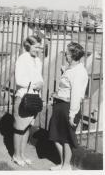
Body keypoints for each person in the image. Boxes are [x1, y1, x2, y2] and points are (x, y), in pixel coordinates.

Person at [48, 42, 88, 170]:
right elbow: (68, 86)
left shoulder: (79, 72)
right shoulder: (71, 69)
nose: (65, 54)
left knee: (66, 138)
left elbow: (76, 95)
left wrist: (72, 115)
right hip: (61, 104)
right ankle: (62, 163)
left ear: (72, 55)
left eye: (67, 53)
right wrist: (64, 71)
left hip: (69, 107)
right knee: (55, 135)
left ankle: (66, 166)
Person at [12, 35, 44, 166]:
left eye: (39, 47)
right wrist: (34, 84)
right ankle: (16, 155)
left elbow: (40, 78)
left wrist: (40, 84)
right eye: (36, 47)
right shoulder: (22, 59)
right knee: (19, 128)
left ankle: (23, 155)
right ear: (28, 46)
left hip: (34, 98)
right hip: (24, 97)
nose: (38, 50)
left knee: (27, 128)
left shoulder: (38, 61)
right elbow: (19, 80)